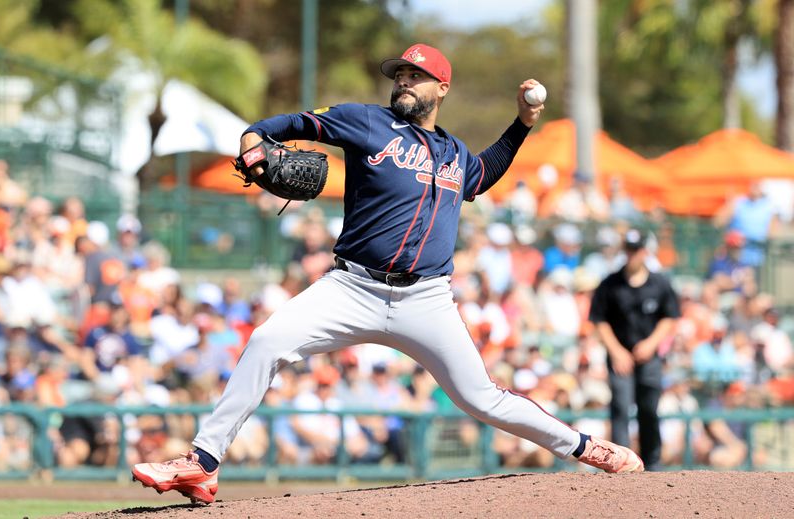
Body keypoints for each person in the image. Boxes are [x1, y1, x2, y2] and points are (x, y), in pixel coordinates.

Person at [132, 42, 643, 505]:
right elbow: (284, 126)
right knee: (266, 341)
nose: (402, 81)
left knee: (482, 398)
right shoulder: (366, 122)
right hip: (351, 286)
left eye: (415, 75)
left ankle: (585, 446)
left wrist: (523, 123)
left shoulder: (455, 154)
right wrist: (252, 138)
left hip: (426, 300)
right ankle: (202, 464)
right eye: (398, 74)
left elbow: (483, 175)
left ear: (441, 88)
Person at [589, 229, 680, 472]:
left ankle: (652, 462)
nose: (631, 255)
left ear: (645, 251)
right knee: (619, 406)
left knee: (649, 407)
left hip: (649, 357)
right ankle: (619, 463)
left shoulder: (660, 283)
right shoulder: (610, 284)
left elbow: (670, 318)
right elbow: (599, 320)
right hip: (620, 356)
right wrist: (616, 351)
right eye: (628, 249)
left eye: (636, 250)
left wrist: (651, 344)